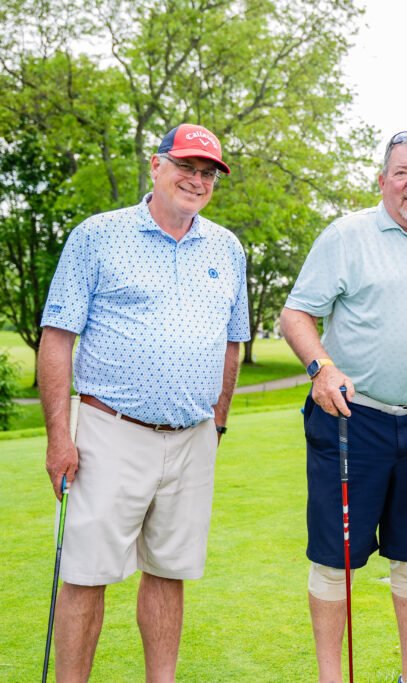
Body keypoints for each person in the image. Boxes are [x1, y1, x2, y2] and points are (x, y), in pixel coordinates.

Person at [39, 123, 248, 680]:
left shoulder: (227, 247)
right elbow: (57, 337)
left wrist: (218, 423)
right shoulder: (98, 235)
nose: (196, 181)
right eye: (186, 167)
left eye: (207, 174)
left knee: (169, 571)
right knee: (86, 574)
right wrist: (60, 437)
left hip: (192, 437)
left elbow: (234, 342)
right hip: (110, 430)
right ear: (155, 166)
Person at [280, 130, 407, 683]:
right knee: (334, 556)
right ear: (383, 179)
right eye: (401, 172)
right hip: (351, 417)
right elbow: (296, 315)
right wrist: (322, 368)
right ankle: (331, 677)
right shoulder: (347, 235)